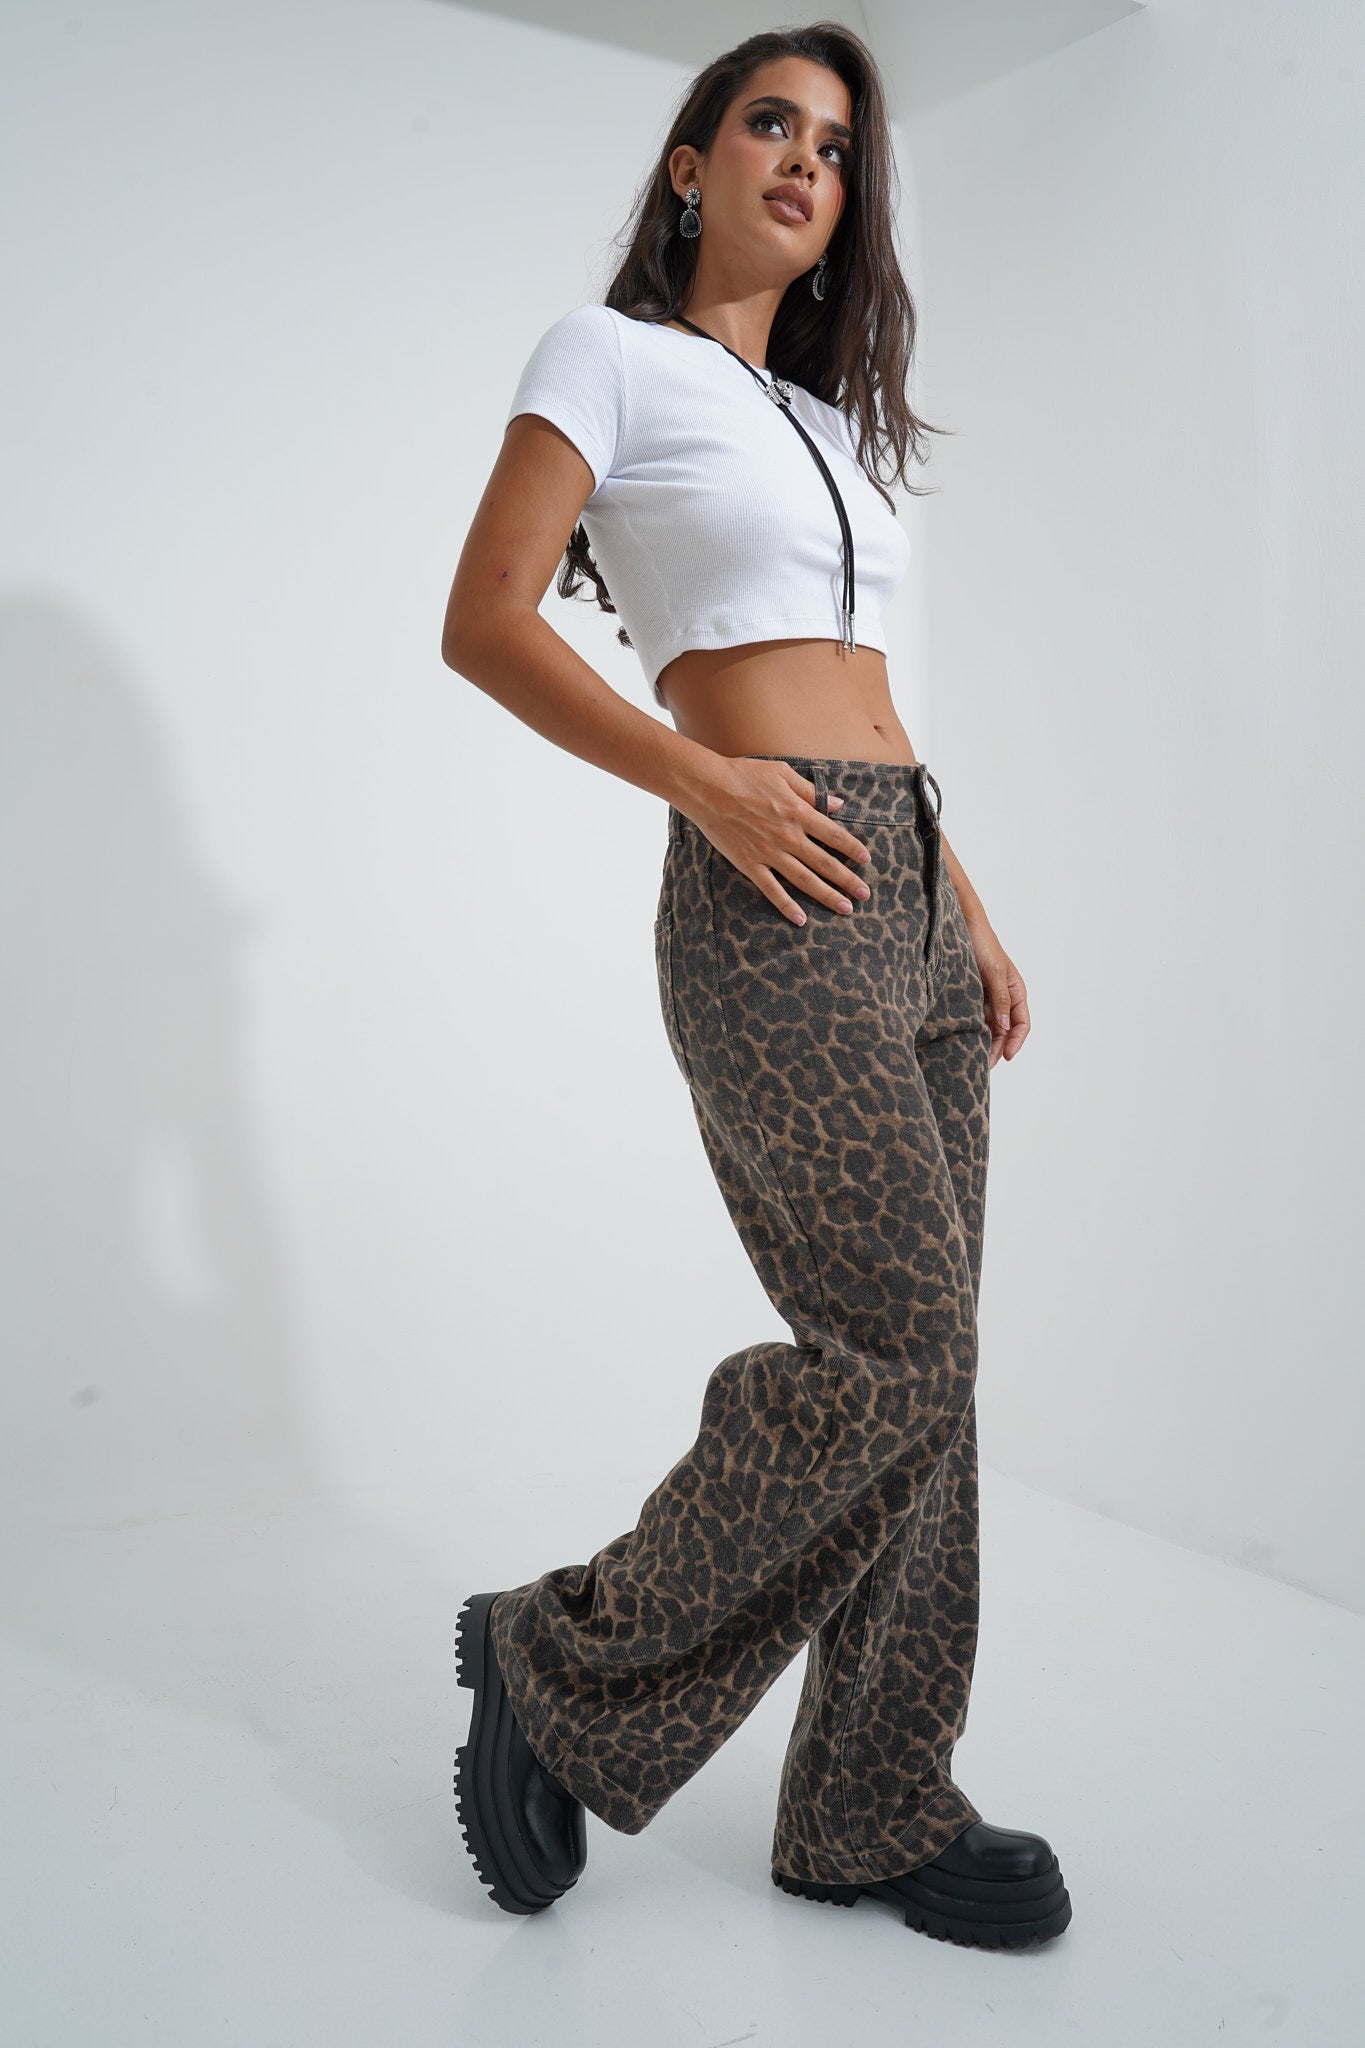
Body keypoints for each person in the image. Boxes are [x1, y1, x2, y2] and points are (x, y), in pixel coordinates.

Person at [441, 22, 1071, 1948]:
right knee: (893, 1345)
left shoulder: (825, 423)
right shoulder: (605, 356)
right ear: (690, 165)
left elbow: (867, 695)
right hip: (765, 880)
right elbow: (483, 619)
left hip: (906, 881)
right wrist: (702, 783)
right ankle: (562, 1655)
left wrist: (963, 906)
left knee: (933, 1382)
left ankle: (870, 1803)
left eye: (837, 147)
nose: (806, 162)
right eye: (769, 125)